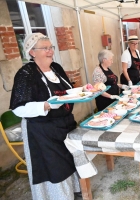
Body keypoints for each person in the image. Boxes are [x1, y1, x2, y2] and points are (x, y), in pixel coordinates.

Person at [9, 33, 81, 199]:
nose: (50, 51)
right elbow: (18, 109)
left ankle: (73, 192)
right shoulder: (26, 74)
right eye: (45, 48)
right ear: (32, 52)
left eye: (51, 47)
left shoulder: (56, 68)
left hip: (64, 125)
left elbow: (68, 91)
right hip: (42, 130)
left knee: (70, 160)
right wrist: (46, 105)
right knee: (55, 167)